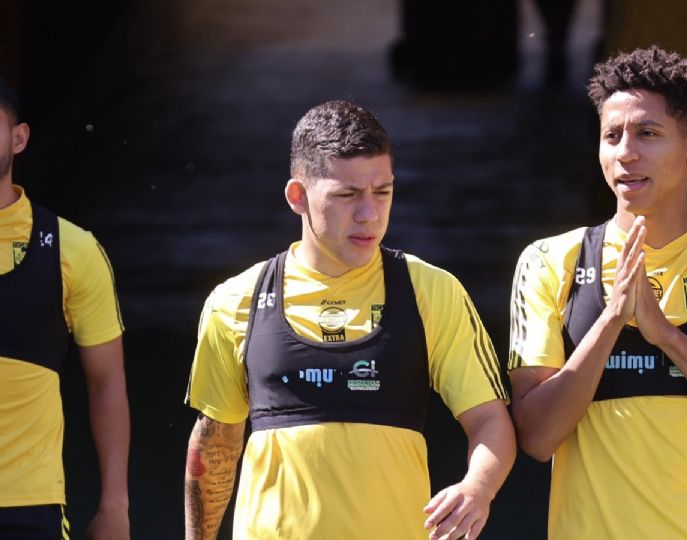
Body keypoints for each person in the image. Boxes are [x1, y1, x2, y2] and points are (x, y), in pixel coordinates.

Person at [507, 46, 687, 539]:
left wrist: (667, 336)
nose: (626, 152)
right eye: (611, 135)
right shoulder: (548, 261)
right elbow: (536, 437)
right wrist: (609, 322)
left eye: (647, 133)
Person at [183, 100, 515, 540]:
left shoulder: (431, 291)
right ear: (297, 197)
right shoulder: (235, 300)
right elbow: (216, 443)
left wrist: (478, 489)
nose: (369, 214)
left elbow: (491, 422)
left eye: (383, 192)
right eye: (346, 195)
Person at [0, 77, 130, 538]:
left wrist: (115, 506)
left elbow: (106, 381)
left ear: (19, 138)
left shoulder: (70, 249)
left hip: (29, 508)